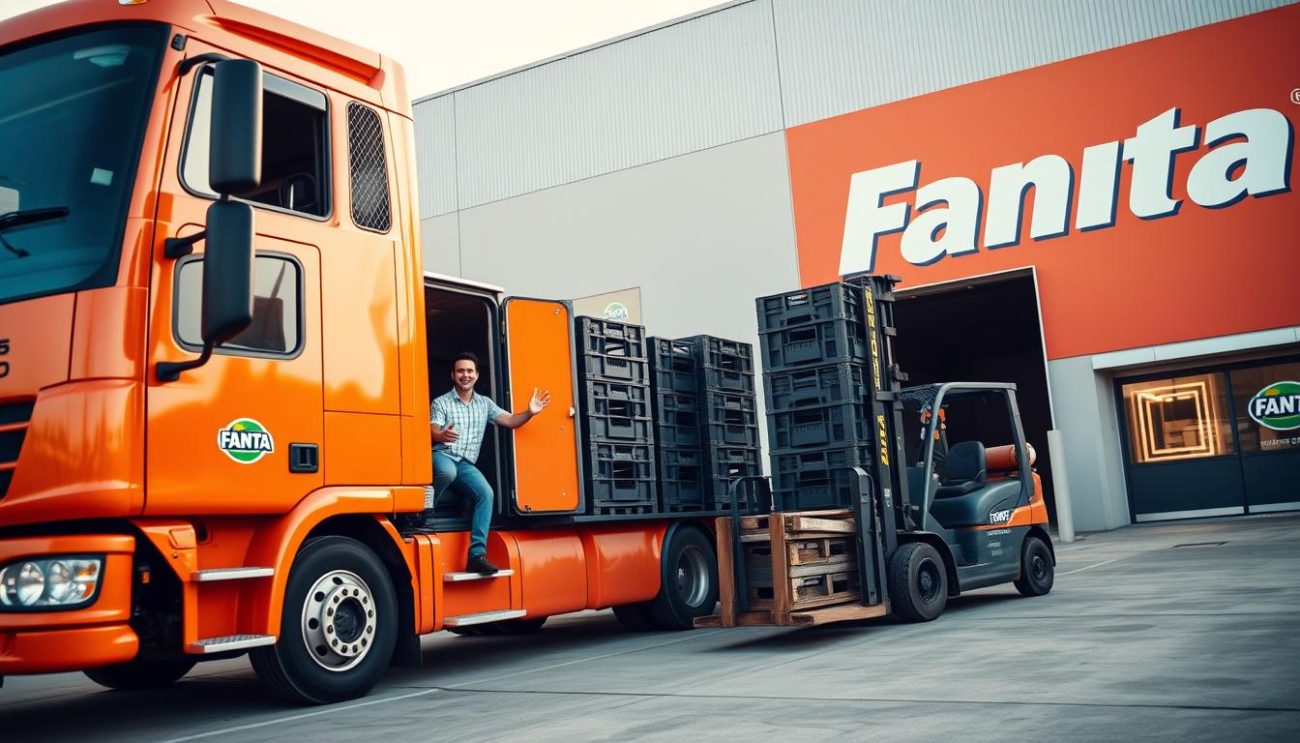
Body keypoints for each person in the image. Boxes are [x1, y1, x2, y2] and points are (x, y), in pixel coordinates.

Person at [413, 351, 550, 575]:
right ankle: (422, 514)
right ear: (453, 375)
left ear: (476, 375)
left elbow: (510, 420)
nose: (465, 375)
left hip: (465, 464)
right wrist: (440, 436)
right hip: (443, 455)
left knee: (486, 493)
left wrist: (530, 413)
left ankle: (476, 555)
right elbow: (433, 428)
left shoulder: (485, 404)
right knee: (447, 472)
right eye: (460, 371)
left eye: (469, 371)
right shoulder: (441, 402)